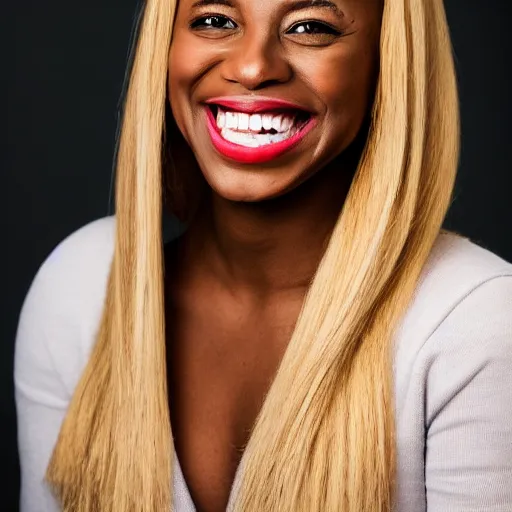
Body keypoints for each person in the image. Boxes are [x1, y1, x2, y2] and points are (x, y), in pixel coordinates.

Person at [14, 0, 512, 510]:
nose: (252, 68)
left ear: (387, 62)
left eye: (311, 28)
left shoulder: (476, 324)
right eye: (214, 21)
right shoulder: (79, 287)